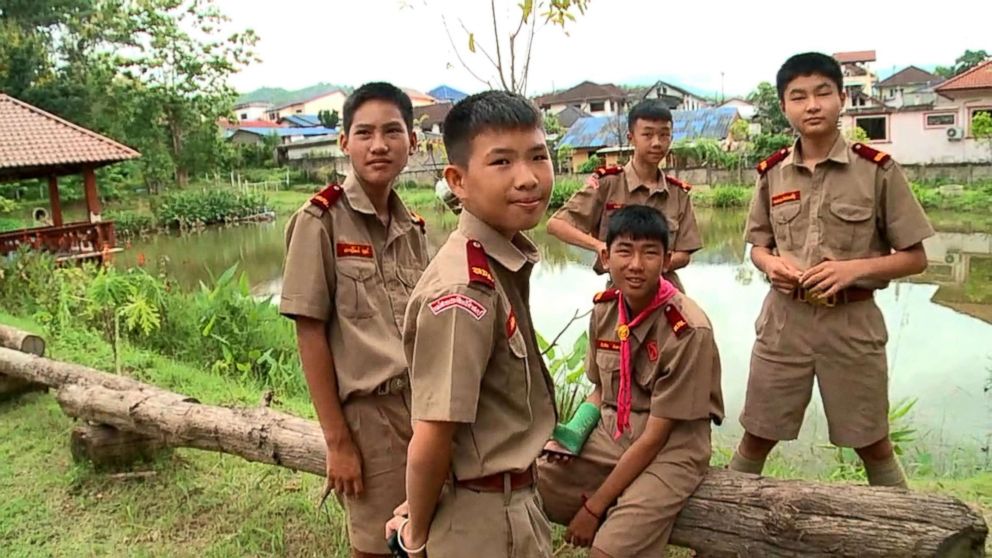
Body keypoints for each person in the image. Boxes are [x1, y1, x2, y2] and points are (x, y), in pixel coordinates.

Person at [729, 52, 934, 488]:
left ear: (843, 98)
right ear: (784, 107)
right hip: (784, 323)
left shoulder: (877, 171)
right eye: (798, 96)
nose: (813, 105)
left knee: (872, 441)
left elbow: (916, 257)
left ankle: (911, 535)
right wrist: (772, 265)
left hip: (852, 324)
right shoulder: (772, 174)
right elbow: (758, 248)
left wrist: (852, 270)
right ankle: (721, 537)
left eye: (823, 93)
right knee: (756, 435)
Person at [388, 90, 557, 557]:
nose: (528, 179)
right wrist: (416, 534)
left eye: (538, 156)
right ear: (457, 180)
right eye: (501, 162)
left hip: (507, 503)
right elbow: (434, 431)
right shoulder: (464, 292)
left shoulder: (498, 261)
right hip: (486, 522)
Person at [278, 82, 429, 558]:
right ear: (344, 143)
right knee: (376, 545)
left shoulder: (414, 229)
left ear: (413, 142)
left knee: (426, 536)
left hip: (425, 413)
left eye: (392, 131)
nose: (378, 144)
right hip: (369, 418)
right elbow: (310, 332)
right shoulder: (319, 221)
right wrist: (338, 442)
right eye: (363, 133)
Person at [537, 204, 723, 558]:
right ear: (606, 257)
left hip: (672, 446)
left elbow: (657, 436)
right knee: (523, 482)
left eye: (650, 253)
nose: (636, 265)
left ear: (667, 260)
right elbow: (599, 391)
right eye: (625, 251)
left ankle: (623, 518)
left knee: (606, 552)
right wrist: (572, 434)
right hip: (614, 432)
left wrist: (593, 510)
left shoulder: (688, 329)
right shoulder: (606, 309)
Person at [546, 99, 702, 292]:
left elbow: (684, 254)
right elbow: (557, 225)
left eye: (664, 135)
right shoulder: (607, 184)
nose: (656, 143)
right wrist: (599, 246)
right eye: (647, 134)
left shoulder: (678, 194)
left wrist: (649, 268)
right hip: (619, 294)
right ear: (631, 137)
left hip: (666, 294)